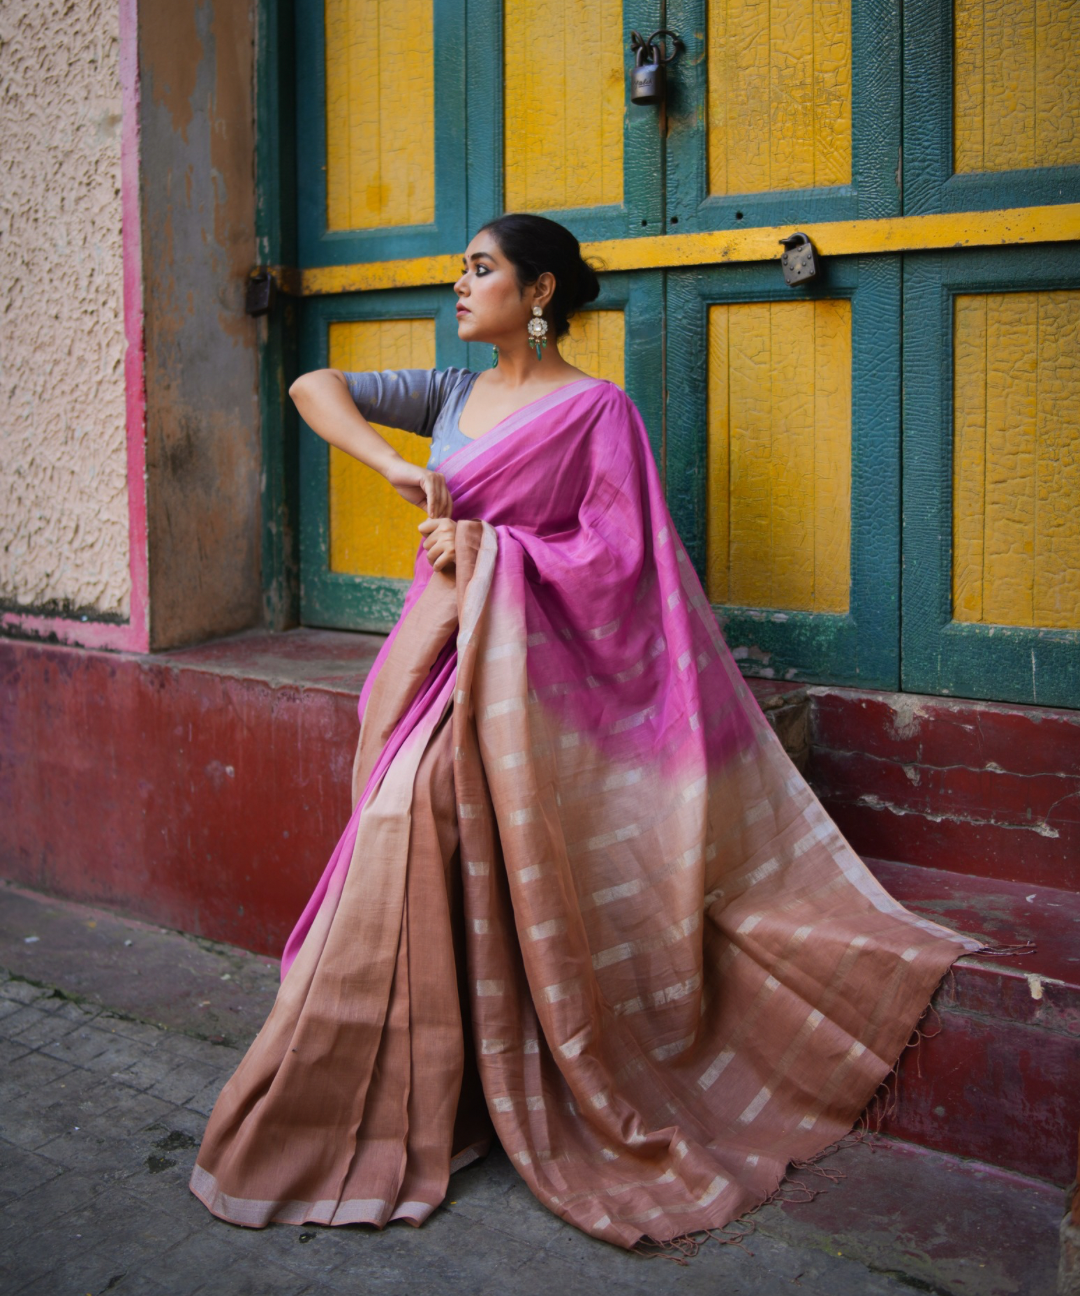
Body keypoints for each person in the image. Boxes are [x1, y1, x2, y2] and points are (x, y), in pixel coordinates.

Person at [189, 213, 979, 1249]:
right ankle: (434, 1082)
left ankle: (416, 1090)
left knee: (417, 821)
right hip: (439, 667)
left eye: (480, 270)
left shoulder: (597, 412)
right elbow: (312, 386)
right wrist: (392, 464)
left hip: (532, 681)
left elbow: (617, 563)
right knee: (406, 828)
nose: (459, 287)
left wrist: (490, 550)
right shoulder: (452, 394)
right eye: (462, 270)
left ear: (542, 291)